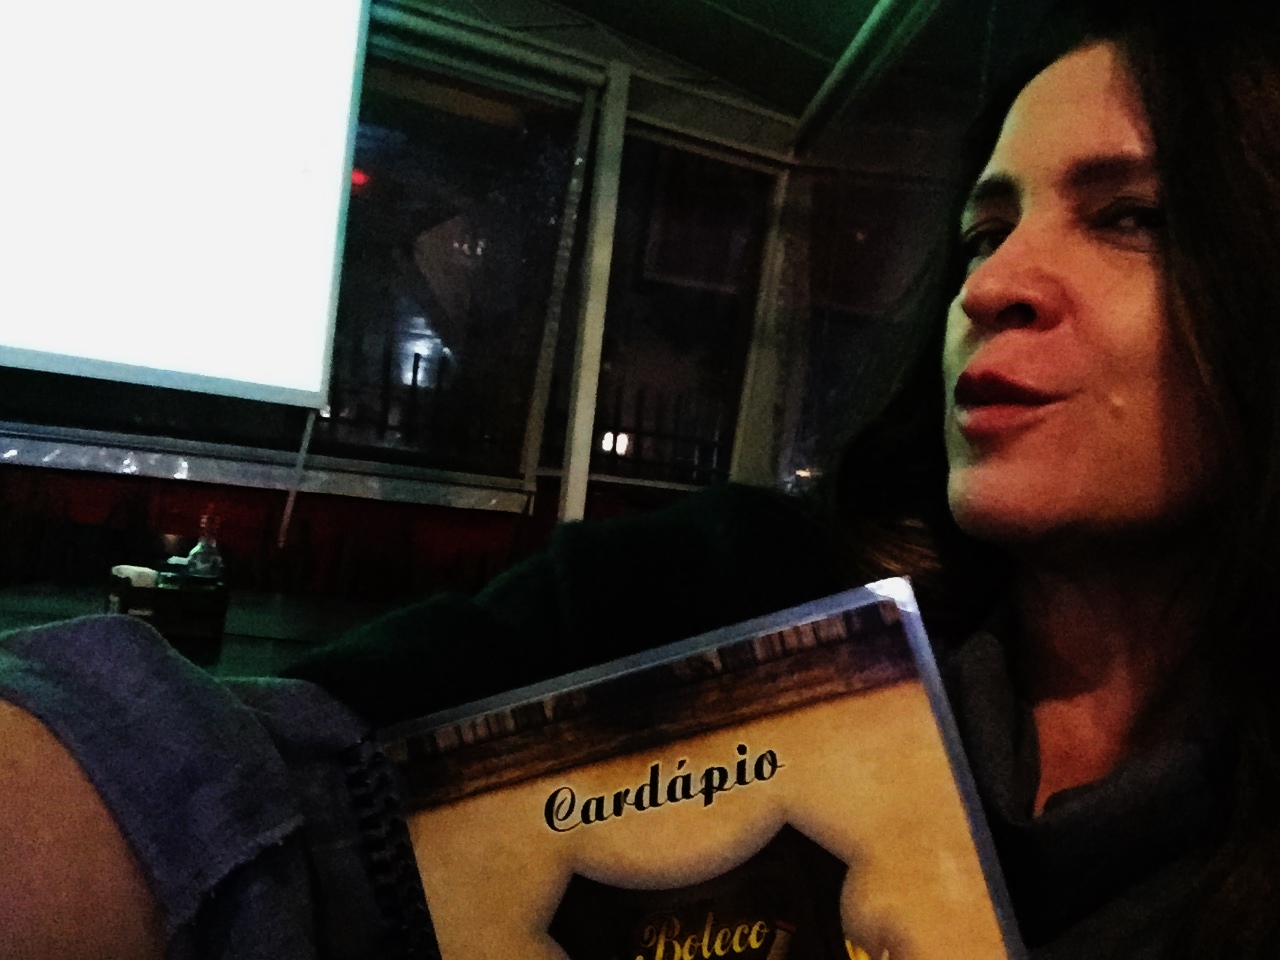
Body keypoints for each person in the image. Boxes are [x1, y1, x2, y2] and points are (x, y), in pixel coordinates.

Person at [3, 0, 1280, 957]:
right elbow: (247, 777)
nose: (989, 286)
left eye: (1129, 217)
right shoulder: (733, 588)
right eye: (982, 231)